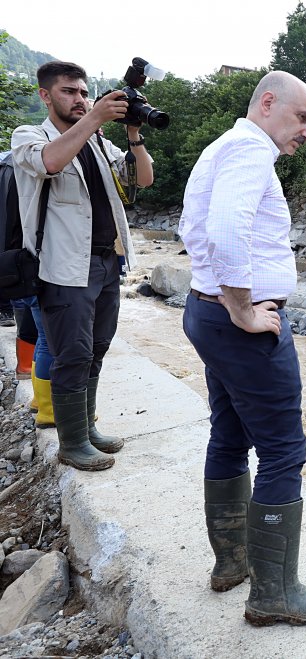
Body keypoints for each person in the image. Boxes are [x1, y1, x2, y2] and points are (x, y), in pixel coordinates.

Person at [179, 71, 306, 627]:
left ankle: (232, 564)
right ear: (267, 104)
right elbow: (225, 231)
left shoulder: (223, 146)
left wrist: (225, 303)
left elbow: (190, 227)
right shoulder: (251, 149)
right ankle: (274, 595)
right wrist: (245, 309)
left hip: (205, 311)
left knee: (227, 434)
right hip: (238, 323)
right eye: (303, 118)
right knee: (282, 452)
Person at [11, 61, 154, 471]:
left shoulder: (95, 143)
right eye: (69, 92)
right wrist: (93, 118)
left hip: (108, 262)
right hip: (62, 267)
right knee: (70, 353)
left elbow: (141, 179)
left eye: (84, 92)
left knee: (96, 348)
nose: (79, 99)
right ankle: (71, 443)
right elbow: (49, 163)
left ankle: (86, 429)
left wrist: (132, 134)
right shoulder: (30, 136)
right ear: (45, 95)